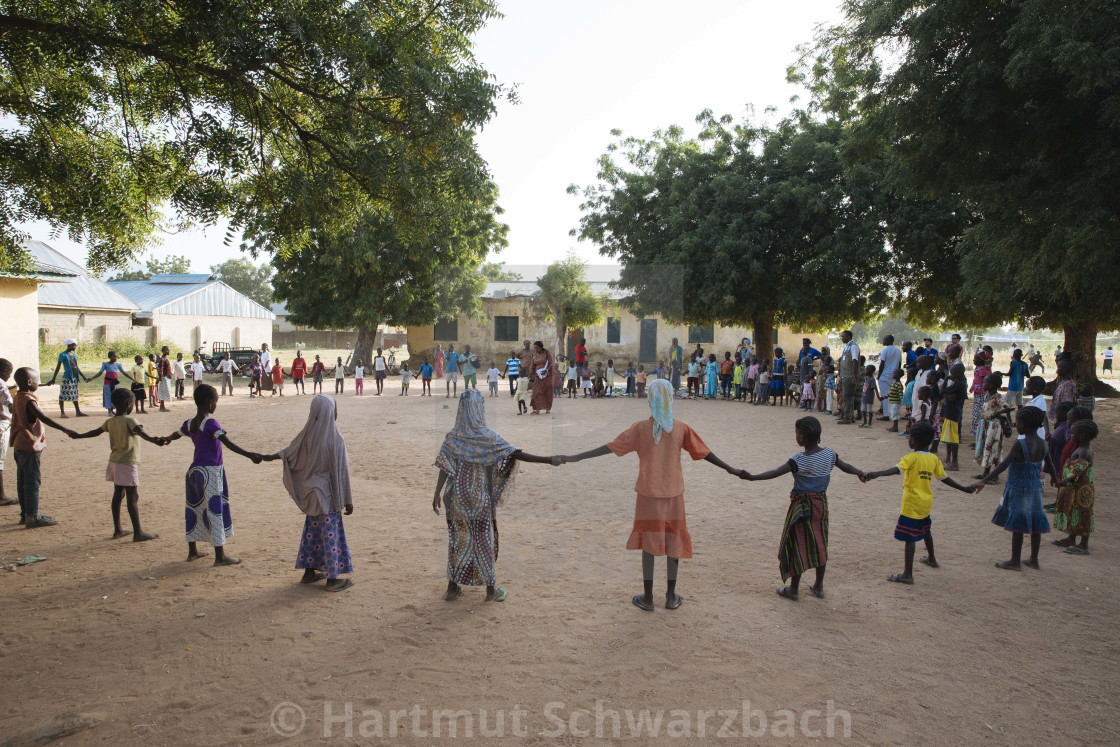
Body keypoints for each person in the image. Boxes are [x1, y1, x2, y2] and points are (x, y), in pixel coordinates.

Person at [560, 379, 742, 611]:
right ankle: (670, 596)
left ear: (650, 400)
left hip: (648, 495)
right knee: (674, 540)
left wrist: (578, 456)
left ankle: (647, 598)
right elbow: (704, 452)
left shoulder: (641, 428)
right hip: (674, 495)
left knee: (649, 542)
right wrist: (729, 467)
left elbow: (611, 447)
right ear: (670, 399)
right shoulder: (680, 427)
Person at [432, 389, 557, 602]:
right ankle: (491, 592)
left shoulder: (453, 437)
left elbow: (445, 467)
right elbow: (514, 453)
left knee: (458, 541)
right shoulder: (487, 437)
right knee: (484, 541)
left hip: (456, 499)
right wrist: (547, 459)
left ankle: (452, 589)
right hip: (481, 499)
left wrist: (436, 493)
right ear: (480, 409)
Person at [740, 416, 865, 600]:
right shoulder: (830, 454)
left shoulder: (798, 459)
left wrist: (752, 477)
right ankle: (819, 586)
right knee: (820, 542)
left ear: (802, 438)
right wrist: (860, 473)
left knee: (797, 544)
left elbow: (775, 472)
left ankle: (793, 589)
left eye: (797, 433)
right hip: (821, 505)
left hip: (801, 507)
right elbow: (845, 466)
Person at [862, 422, 977, 584]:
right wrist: (964, 488)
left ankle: (907, 574)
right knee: (925, 530)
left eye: (910, 437)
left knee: (910, 538)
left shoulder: (911, 458)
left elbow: (895, 470)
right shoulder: (933, 459)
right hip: (925, 503)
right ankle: (931, 558)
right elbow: (945, 479)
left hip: (911, 504)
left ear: (914, 441)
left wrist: (876, 474)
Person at [161, 384, 263, 566]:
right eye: (215, 402)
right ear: (209, 403)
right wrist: (249, 455)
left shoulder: (190, 423)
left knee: (194, 508)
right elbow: (227, 443)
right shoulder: (210, 423)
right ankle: (220, 556)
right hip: (211, 471)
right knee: (215, 510)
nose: (216, 406)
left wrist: (167, 438)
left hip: (194, 471)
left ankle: (192, 551)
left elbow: (177, 434)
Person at [263, 395, 355, 591]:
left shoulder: (307, 435)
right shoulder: (335, 438)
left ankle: (309, 571)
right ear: (331, 413)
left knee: (312, 532)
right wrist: (348, 500)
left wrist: (266, 457)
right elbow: (343, 471)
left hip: (311, 491)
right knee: (331, 533)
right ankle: (332, 579)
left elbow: (289, 452)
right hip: (327, 495)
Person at [68, 387, 162, 541]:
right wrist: (155, 440)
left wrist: (78, 436)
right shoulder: (131, 421)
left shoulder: (110, 421)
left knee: (118, 494)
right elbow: (142, 434)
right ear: (129, 403)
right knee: (133, 496)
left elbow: (95, 432)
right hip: (127, 463)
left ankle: (118, 529)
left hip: (114, 462)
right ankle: (138, 532)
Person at [973, 407, 1056, 570]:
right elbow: (1050, 464)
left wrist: (985, 480)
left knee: (1018, 525)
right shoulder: (1043, 444)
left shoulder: (1021, 444)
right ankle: (1034, 559)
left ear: (1023, 425)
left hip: (1019, 488)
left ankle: (1015, 561)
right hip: (1035, 489)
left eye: (1017, 422)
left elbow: (1004, 464)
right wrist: (1055, 478)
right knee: (1035, 523)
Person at [10, 367, 78, 527]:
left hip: (19, 445)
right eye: (36, 381)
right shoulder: (29, 400)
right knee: (32, 482)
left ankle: (25, 514)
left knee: (22, 481)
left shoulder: (18, 396)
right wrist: (65, 429)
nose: (38, 383)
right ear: (29, 382)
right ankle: (32, 517)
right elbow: (43, 418)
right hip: (30, 446)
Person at [1052, 419, 1097, 555]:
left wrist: (1063, 481)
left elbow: (1077, 470)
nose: (1071, 435)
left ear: (1081, 435)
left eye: (1073, 433)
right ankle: (1071, 538)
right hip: (1076, 489)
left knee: (1083, 515)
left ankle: (1083, 545)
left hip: (1081, 490)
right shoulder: (1081, 447)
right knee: (1073, 512)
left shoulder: (1083, 451)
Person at [975, 374, 1012, 482]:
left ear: (991, 385)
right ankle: (986, 473)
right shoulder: (988, 396)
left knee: (994, 449)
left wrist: (998, 414)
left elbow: (1008, 408)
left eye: (985, 382)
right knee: (986, 448)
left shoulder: (997, 397)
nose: (983, 384)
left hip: (994, 426)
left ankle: (995, 476)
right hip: (986, 425)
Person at [46, 339, 88, 417]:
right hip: (68, 378)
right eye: (73, 345)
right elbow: (58, 367)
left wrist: (83, 376)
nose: (75, 347)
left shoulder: (73, 355)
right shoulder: (63, 355)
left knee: (75, 394)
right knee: (63, 394)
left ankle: (78, 412)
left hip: (75, 378)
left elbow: (76, 367)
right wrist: (53, 378)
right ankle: (62, 413)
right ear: (69, 345)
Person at [940, 363, 968, 470]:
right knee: (949, 438)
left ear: (957, 373)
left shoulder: (959, 384)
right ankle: (948, 458)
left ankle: (955, 463)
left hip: (953, 413)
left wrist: (946, 379)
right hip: (951, 413)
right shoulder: (960, 383)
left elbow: (942, 392)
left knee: (953, 440)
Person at [875, 335, 902, 420]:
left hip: (885, 375)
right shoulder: (898, 351)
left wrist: (879, 376)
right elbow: (899, 364)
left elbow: (882, 364)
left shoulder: (885, 350)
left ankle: (886, 415)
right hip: (894, 375)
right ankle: (893, 414)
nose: (883, 341)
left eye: (884, 340)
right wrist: (898, 375)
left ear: (889, 340)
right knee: (894, 395)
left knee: (885, 395)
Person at [837, 331, 860, 424]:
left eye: (843, 336)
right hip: (844, 374)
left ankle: (847, 417)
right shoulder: (847, 347)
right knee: (847, 396)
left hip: (849, 375)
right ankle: (850, 416)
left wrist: (853, 375)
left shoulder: (853, 346)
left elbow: (855, 361)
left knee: (847, 396)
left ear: (849, 336)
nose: (842, 338)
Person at [0, 359, 13, 506]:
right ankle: (1, 496)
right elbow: (8, 403)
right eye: (9, 373)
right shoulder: (1, 383)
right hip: (2, 424)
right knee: (0, 461)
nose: (9, 376)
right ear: (4, 372)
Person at [528, 341, 554, 415]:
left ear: (541, 347)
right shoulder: (533, 355)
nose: (535, 350)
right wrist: (530, 373)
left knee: (547, 392)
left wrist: (546, 370)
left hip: (547, 375)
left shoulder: (547, 353)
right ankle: (536, 409)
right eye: (534, 348)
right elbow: (532, 365)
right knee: (536, 391)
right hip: (538, 376)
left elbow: (551, 363)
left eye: (537, 348)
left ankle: (548, 408)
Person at [1048, 359, 1077, 425]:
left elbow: (1067, 404)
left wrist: (1061, 421)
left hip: (1062, 420)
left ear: (1067, 369)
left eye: (1060, 368)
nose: (1057, 370)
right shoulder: (1063, 383)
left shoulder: (1068, 385)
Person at [156, 346, 174, 412]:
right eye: (167, 350)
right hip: (164, 378)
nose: (168, 352)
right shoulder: (162, 359)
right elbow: (161, 369)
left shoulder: (165, 358)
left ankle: (162, 406)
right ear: (164, 351)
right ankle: (162, 407)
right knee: (163, 391)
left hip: (166, 377)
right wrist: (161, 377)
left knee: (164, 391)